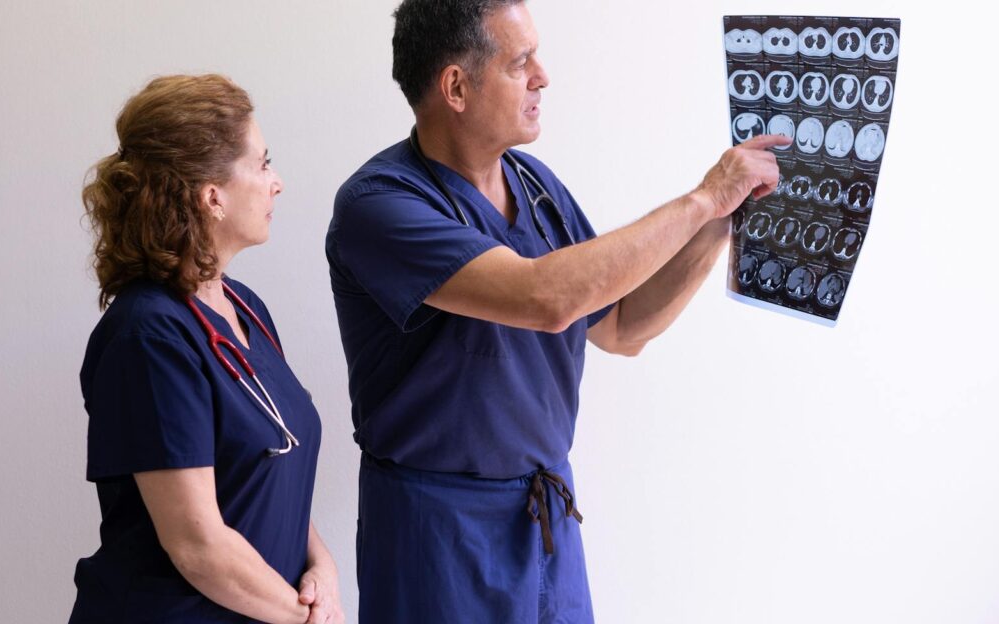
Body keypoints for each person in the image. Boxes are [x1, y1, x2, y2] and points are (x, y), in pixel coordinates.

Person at [324, 1, 788, 621]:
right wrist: (702, 198)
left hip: (546, 520)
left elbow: (622, 328)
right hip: (437, 532)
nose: (543, 75)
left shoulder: (537, 188)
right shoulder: (380, 205)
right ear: (456, 86)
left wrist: (719, 223)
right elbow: (546, 298)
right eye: (520, 62)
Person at [70, 74, 343, 624]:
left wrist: (324, 569)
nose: (277, 182)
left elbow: (270, 470)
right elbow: (198, 547)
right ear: (211, 196)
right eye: (263, 164)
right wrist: (305, 618)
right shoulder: (148, 338)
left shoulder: (246, 309)